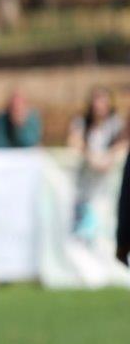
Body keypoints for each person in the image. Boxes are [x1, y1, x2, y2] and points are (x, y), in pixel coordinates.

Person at [67, 87, 127, 242]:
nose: (99, 105)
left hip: (108, 193)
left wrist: (110, 156)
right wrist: (90, 156)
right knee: (83, 236)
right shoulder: (81, 122)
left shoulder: (116, 123)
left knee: (106, 237)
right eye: (96, 101)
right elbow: (74, 141)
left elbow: (124, 142)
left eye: (103, 101)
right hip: (84, 192)